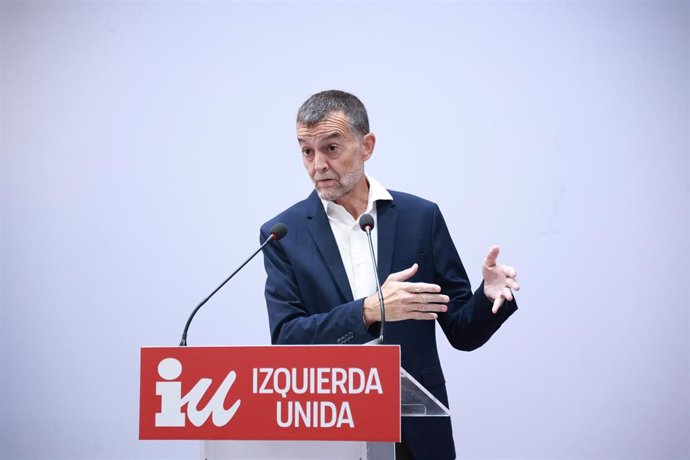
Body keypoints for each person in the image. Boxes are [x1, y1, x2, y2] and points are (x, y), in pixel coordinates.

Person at [260, 90, 519, 460]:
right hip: (329, 431)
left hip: (416, 434)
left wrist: (489, 297)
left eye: (331, 148)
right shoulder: (283, 234)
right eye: (306, 151)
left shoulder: (420, 217)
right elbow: (287, 339)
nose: (318, 164)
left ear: (367, 146)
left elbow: (462, 331)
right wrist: (369, 310)